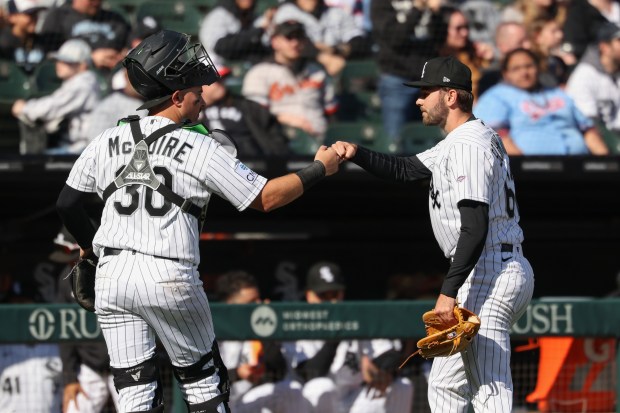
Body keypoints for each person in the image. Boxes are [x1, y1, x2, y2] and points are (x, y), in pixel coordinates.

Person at [55, 29, 340, 413]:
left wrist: (91, 250)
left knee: (135, 393)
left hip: (112, 275)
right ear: (176, 97)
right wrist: (320, 168)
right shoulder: (200, 144)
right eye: (196, 91)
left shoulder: (107, 138)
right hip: (168, 273)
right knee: (204, 384)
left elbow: (68, 203)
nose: (203, 97)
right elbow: (267, 198)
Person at [331, 55, 536, 412]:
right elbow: (406, 169)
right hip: (489, 265)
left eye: (426, 91)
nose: (418, 99)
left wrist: (447, 292)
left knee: (489, 384)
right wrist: (356, 153)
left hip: (492, 268)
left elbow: (475, 226)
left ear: (451, 96)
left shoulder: (469, 145)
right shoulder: (461, 139)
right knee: (443, 385)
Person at [282, 260, 413, 413]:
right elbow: (310, 374)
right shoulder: (297, 325)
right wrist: (338, 333)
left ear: (342, 294)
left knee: (402, 386)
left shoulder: (355, 319)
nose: (331, 302)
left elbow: (391, 353)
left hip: (350, 401)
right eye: (323, 295)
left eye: (335, 294)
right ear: (309, 296)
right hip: (307, 404)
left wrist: (379, 368)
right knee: (321, 386)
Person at [474, 48, 609, 155]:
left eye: (529, 66)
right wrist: (520, 168)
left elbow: (588, 130)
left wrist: (606, 166)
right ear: (505, 73)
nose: (524, 73)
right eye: (516, 69)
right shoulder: (497, 96)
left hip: (576, 169)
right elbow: (495, 136)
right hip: (530, 176)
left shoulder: (557, 93)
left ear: (538, 68)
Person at [215, 270, 308, 413]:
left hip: (249, 402)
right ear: (230, 305)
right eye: (251, 302)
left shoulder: (257, 331)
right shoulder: (213, 332)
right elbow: (204, 378)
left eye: (258, 300)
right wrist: (237, 374)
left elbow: (279, 370)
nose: (258, 305)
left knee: (289, 391)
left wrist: (265, 330)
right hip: (221, 405)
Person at [51, 226, 121, 413]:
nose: (68, 262)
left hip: (124, 363)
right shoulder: (65, 279)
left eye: (70, 253)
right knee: (73, 409)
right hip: (90, 368)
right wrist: (70, 378)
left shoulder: (114, 270)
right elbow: (65, 333)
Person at [242, 20, 338, 143]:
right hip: (282, 141)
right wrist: (285, 119)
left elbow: (331, 112)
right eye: (289, 38)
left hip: (321, 140)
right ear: (275, 42)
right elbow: (255, 117)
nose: (295, 43)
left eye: (299, 38)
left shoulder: (317, 71)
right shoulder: (259, 73)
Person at [11, 37, 101, 154]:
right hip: (76, 147)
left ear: (82, 65)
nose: (59, 64)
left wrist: (25, 107)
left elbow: (51, 107)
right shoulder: (75, 82)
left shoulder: (84, 84)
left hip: (84, 149)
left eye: (67, 62)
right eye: (59, 60)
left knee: (36, 163)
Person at [370, 0, 438, 146]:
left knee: (431, 143)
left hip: (429, 81)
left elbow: (440, 38)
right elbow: (395, 39)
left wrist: (437, 13)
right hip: (397, 79)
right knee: (395, 143)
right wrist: (417, 9)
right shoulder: (381, 4)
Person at [201, 66, 290, 157]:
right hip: (215, 161)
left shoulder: (246, 106)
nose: (222, 83)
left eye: (222, 80)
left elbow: (273, 132)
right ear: (201, 86)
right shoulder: (193, 113)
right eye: (215, 81)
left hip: (251, 161)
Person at [39, 0, 130, 69]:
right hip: (76, 75)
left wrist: (121, 57)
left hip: (113, 72)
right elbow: (50, 55)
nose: (96, 3)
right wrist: (90, 58)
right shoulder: (58, 16)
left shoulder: (115, 19)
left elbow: (128, 46)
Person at [566, 22, 620, 138]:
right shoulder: (584, 76)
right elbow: (588, 123)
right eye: (619, 41)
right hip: (604, 141)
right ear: (604, 47)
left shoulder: (616, 70)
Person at [199, 0, 274, 68]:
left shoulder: (254, 17)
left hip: (244, 68)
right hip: (215, 68)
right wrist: (256, 32)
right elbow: (221, 47)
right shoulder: (219, 15)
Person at [0, 0, 52, 73]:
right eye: (29, 14)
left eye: (35, 14)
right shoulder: (3, 44)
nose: (34, 18)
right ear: (12, 17)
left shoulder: (39, 42)